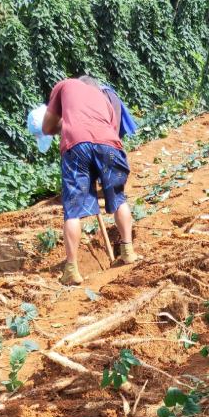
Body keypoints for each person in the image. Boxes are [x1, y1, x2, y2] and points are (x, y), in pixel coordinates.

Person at [41, 76, 138, 285]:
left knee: (73, 209)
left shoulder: (64, 85)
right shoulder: (103, 97)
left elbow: (47, 128)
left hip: (76, 145)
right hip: (110, 145)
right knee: (119, 198)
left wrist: (66, 124)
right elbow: (110, 131)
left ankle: (71, 270)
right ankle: (128, 250)